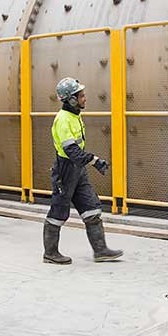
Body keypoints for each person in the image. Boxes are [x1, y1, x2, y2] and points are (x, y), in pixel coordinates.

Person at [43, 77, 124, 265]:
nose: (84, 98)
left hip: (78, 171)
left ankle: (101, 251)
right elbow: (72, 151)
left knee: (91, 208)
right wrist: (94, 160)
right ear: (71, 99)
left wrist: (88, 162)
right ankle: (50, 253)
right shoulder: (63, 120)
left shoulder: (74, 115)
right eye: (81, 96)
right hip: (65, 171)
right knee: (58, 213)